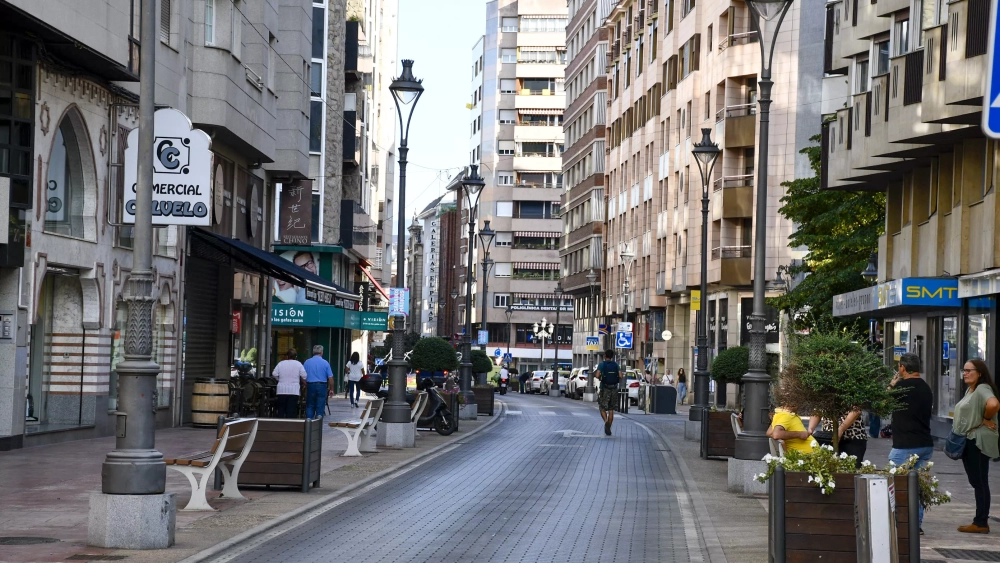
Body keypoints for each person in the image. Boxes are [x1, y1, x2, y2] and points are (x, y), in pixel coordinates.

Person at [953, 359, 1000, 534]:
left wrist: (987, 418)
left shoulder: (982, 388)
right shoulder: (970, 390)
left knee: (979, 482)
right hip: (970, 441)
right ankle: (980, 520)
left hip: (977, 441)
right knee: (977, 482)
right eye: (963, 370)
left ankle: (980, 522)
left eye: (969, 370)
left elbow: (994, 404)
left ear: (979, 373)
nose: (965, 373)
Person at [889, 352, 934, 530]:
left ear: (903, 368)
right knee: (917, 486)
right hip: (925, 444)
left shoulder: (902, 387)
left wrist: (892, 385)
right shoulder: (925, 387)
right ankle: (916, 525)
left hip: (905, 445)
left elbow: (883, 403)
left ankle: (897, 523)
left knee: (894, 484)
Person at [272, 348, 306, 418]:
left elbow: (274, 373)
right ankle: (289, 426)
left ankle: (280, 425)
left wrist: (279, 379)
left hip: (281, 390)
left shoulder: (281, 363)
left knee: (281, 409)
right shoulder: (298, 364)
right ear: (295, 356)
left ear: (287, 356)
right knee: (291, 410)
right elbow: (304, 376)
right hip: (294, 391)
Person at [594, 349, 621, 436]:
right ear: (612, 356)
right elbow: (621, 375)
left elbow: (597, 375)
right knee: (611, 409)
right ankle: (609, 426)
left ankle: (606, 422)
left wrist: (601, 378)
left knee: (602, 407)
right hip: (614, 388)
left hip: (605, 388)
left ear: (605, 356)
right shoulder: (616, 365)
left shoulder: (602, 364)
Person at [303, 345, 334, 419]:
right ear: (321, 352)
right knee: (320, 405)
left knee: (310, 405)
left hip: (310, 385)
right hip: (322, 386)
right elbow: (330, 378)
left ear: (313, 352)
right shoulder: (325, 363)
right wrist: (331, 389)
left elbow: (302, 375)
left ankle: (309, 422)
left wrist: (305, 384)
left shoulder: (307, 362)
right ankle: (318, 423)